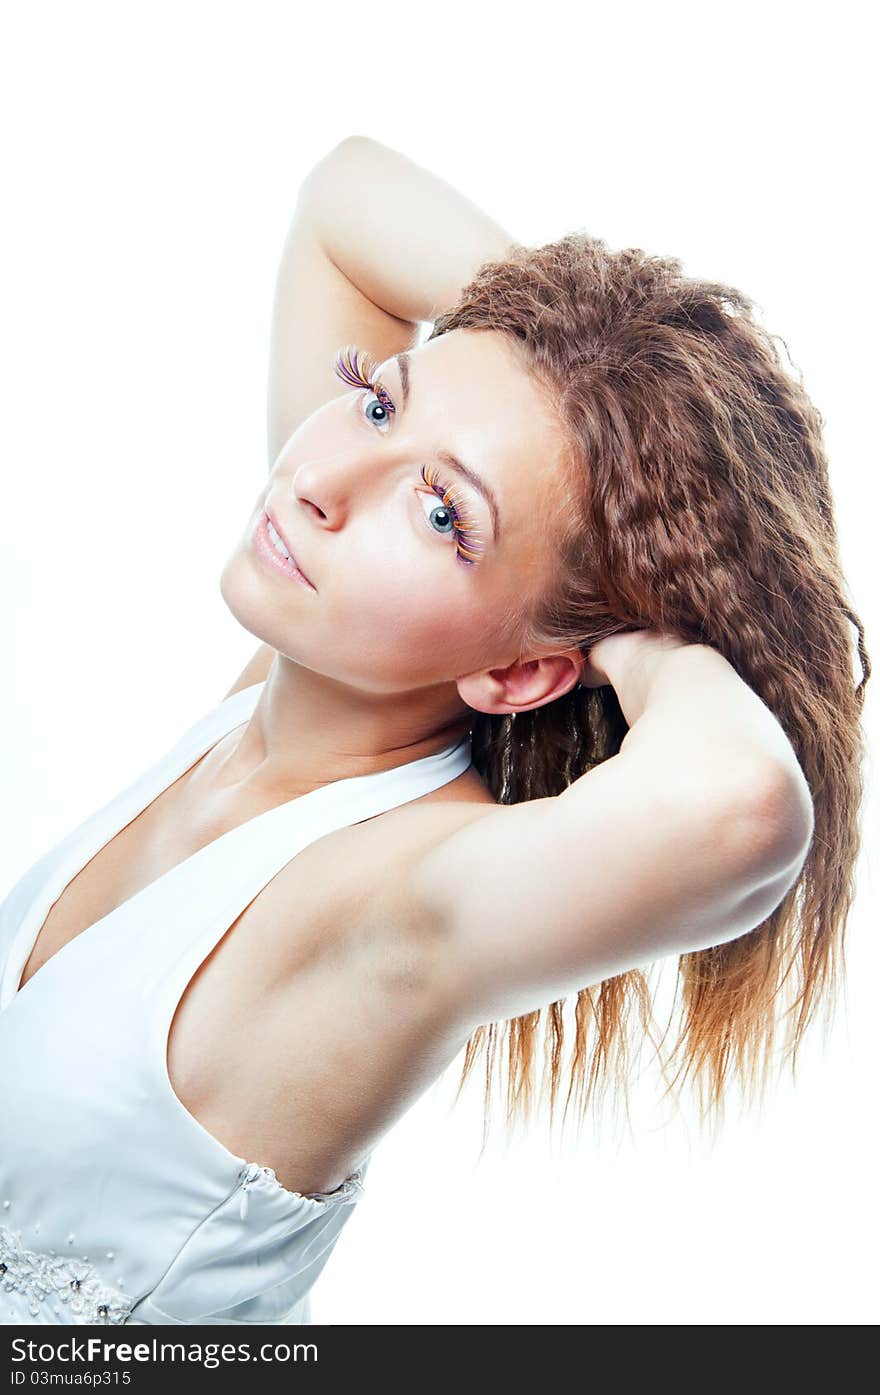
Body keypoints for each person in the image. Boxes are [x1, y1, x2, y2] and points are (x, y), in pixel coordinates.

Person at [0, 136, 868, 1326]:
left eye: (441, 511)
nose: (322, 478)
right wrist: (592, 377)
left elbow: (738, 807)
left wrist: (646, 606)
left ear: (519, 672)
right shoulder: (278, 692)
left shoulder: (391, 894)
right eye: (374, 400)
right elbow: (344, 198)